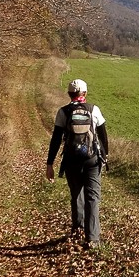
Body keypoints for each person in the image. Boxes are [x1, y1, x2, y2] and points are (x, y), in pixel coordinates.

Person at [46, 79, 109, 248]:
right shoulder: (93, 110)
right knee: (92, 197)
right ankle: (93, 238)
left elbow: (56, 139)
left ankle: (77, 228)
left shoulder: (63, 112)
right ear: (85, 94)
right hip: (92, 159)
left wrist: (50, 163)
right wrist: (105, 156)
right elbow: (103, 136)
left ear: (69, 94)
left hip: (71, 159)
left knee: (76, 194)